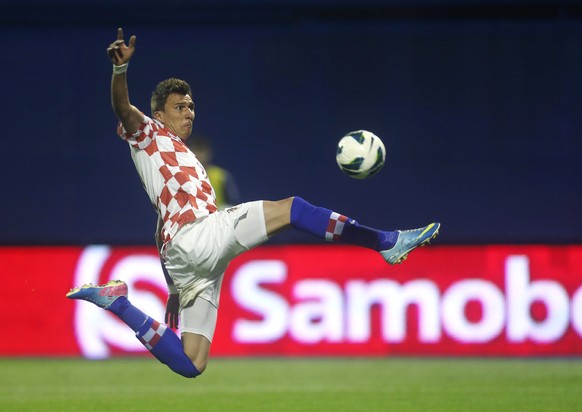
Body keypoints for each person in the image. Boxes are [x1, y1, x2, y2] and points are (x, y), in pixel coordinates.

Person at [67, 28, 441, 379]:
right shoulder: (148, 133)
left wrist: (175, 288)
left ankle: (118, 304)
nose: (189, 112)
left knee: (191, 362)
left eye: (192, 106)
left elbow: (158, 227)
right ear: (160, 114)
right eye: (180, 107)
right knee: (292, 209)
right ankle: (386, 242)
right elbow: (122, 107)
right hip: (199, 237)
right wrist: (120, 67)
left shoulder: (185, 158)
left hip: (187, 258)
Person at [188, 136, 240, 209]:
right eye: (194, 150)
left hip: (219, 215)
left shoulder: (221, 176)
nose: (198, 155)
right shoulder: (184, 175)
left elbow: (232, 202)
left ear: (208, 153)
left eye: (201, 150)